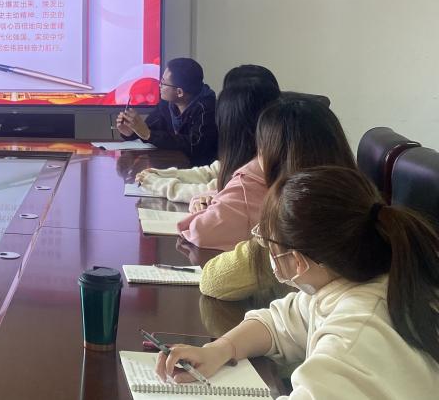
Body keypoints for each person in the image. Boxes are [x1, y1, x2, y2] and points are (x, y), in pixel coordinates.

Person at [157, 167, 439, 398]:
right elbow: (279, 322)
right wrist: (220, 349)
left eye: (267, 244)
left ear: (297, 261)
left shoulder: (354, 336)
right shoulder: (363, 279)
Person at [197, 98, 357, 298]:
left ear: (275, 159)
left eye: (260, 149)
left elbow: (213, 281)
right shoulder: (359, 206)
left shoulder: (294, 226)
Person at [136, 71, 281, 202]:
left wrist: (158, 184)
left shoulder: (262, 160)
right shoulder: (251, 147)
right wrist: (164, 174)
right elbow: (215, 171)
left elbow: (219, 190)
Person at [117, 57, 218, 166]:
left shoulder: (206, 108)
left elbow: (195, 146)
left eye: (163, 83)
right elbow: (149, 131)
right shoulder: (166, 103)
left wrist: (148, 134)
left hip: (199, 171)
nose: (159, 85)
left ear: (179, 92)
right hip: (172, 166)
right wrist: (131, 132)